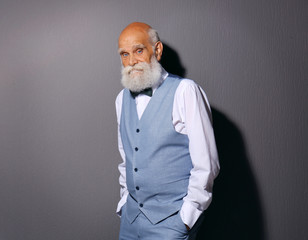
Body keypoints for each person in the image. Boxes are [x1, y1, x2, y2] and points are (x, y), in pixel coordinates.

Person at [115, 22, 220, 240]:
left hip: (171, 223)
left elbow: (206, 164)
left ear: (157, 50)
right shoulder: (121, 99)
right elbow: (127, 158)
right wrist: (124, 204)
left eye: (139, 50)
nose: (131, 61)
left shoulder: (185, 92)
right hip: (130, 220)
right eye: (124, 55)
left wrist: (186, 218)